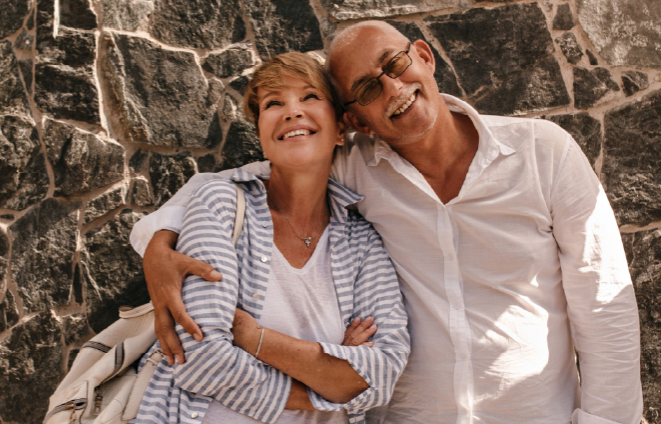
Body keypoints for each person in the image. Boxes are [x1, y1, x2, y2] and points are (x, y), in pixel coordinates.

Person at [131, 21, 642, 424]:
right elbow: (255, 178)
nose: (394, 88)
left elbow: (604, 307)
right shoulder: (353, 169)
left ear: (424, 55)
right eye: (368, 89)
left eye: (395, 64)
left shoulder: (543, 153)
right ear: (353, 120)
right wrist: (157, 243)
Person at [131, 52, 409, 424]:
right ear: (262, 137)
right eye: (274, 103)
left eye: (310, 97)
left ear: (341, 129)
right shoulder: (221, 203)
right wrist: (328, 381)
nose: (292, 111)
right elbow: (199, 360)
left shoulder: (363, 243)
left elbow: (381, 376)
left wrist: (251, 337)